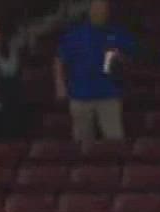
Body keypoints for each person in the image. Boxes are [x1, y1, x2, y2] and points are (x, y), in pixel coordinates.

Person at [54, 0, 136, 143]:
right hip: (80, 95)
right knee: (82, 142)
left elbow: (130, 58)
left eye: (103, 9)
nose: (100, 11)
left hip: (108, 94)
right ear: (90, 10)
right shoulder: (75, 34)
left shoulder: (116, 33)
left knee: (114, 140)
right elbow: (59, 60)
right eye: (97, 8)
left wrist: (119, 56)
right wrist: (60, 85)